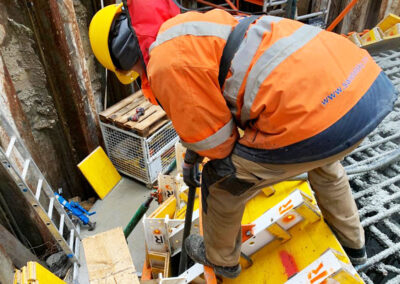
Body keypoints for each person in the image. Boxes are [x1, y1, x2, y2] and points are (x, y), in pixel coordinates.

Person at [89, 2, 398, 279]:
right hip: (358, 85)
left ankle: (221, 259)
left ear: (123, 59)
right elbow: (221, 90)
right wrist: (192, 154)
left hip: (312, 118)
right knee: (324, 163)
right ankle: (354, 245)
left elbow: (219, 146)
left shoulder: (163, 63)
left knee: (221, 180)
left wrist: (201, 155)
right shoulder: (189, 26)